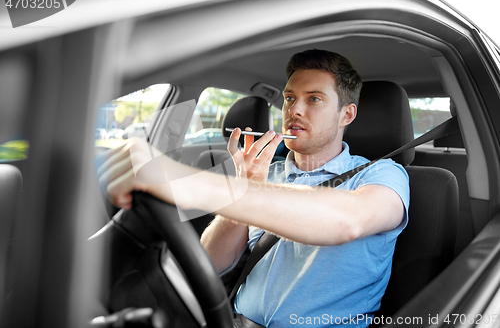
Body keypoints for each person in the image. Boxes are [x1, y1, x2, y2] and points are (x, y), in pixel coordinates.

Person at [96, 49, 409, 328]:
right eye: (289, 98)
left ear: (347, 114)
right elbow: (212, 263)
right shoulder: (266, 174)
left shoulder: (382, 175)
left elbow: (348, 220)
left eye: (314, 98)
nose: (294, 110)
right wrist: (240, 194)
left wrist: (193, 185)